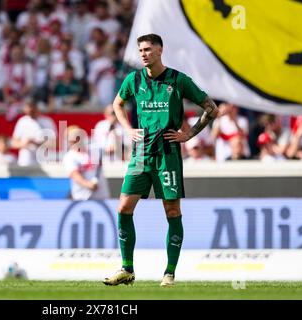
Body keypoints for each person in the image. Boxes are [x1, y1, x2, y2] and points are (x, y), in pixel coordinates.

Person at [103, 34, 219, 287]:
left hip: (168, 155)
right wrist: (126, 128)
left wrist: (188, 134)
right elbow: (117, 103)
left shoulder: (178, 80)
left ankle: (169, 272)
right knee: (123, 208)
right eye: (140, 50)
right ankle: (127, 269)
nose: (143, 54)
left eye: (147, 49)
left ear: (160, 50)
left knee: (172, 211)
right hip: (141, 154)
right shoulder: (134, 79)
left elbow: (212, 108)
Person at [63, 125, 110, 201]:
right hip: (82, 198)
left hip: (102, 197)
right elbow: (75, 175)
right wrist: (88, 184)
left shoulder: (95, 149)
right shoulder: (69, 157)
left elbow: (111, 150)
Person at [11, 98, 57, 166]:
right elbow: (14, 143)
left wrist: (39, 143)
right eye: (27, 109)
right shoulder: (22, 122)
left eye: (32, 108)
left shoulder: (47, 121)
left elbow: (55, 143)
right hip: (26, 157)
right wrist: (24, 143)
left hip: (44, 156)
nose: (29, 111)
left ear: (36, 108)